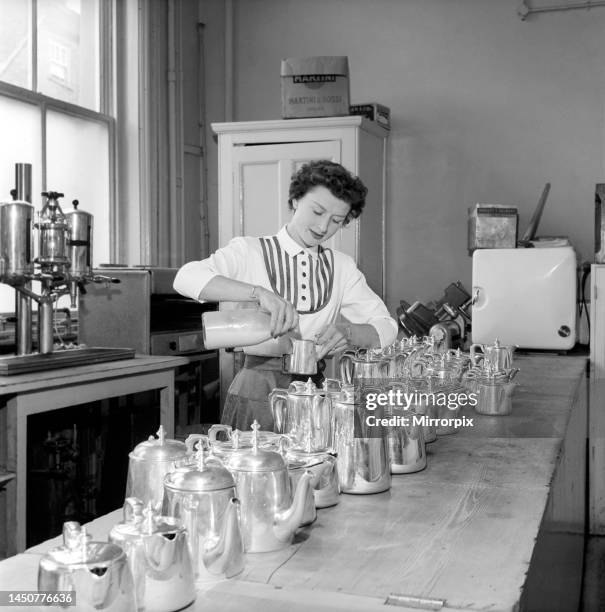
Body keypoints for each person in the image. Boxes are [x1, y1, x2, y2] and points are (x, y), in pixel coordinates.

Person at [173, 160, 397, 431]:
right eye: (317, 211)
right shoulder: (249, 250)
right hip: (256, 388)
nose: (323, 227)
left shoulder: (342, 266)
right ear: (294, 200)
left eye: (337, 220)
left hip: (312, 390)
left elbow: (386, 327)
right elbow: (186, 277)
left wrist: (349, 332)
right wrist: (258, 293)